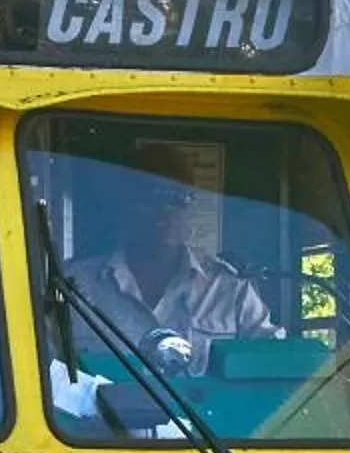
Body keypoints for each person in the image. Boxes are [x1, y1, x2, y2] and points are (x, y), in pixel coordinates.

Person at [68, 145, 275, 351]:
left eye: (179, 198)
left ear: (191, 207)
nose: (166, 209)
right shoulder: (76, 287)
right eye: (152, 197)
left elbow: (275, 360)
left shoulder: (229, 289)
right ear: (126, 204)